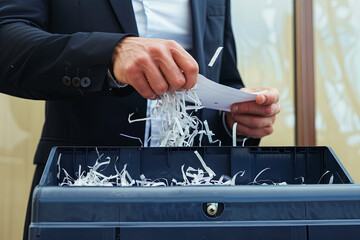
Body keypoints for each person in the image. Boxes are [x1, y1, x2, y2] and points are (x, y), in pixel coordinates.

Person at [0, 0, 280, 239]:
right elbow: (6, 38)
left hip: (196, 206)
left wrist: (235, 122)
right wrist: (109, 54)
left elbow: (223, 76)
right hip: (83, 198)